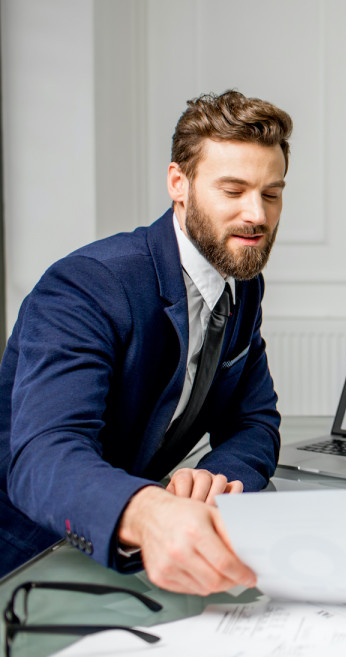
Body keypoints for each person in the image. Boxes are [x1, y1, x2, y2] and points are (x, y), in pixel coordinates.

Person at [0, 90, 291, 595]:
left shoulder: (241, 281)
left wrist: (215, 480)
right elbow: (45, 453)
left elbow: (253, 420)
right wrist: (151, 512)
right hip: (27, 554)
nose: (258, 216)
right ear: (179, 183)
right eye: (234, 190)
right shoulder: (87, 284)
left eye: (270, 193)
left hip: (133, 562)